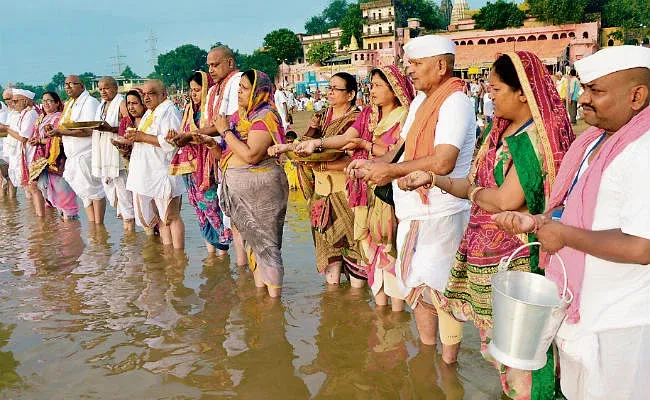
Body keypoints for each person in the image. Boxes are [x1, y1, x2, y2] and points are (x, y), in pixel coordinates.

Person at [400, 51, 575, 397]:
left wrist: (476, 192)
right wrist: (433, 179)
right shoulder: (502, 132)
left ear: (522, 91)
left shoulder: (535, 140)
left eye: (495, 90)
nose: (488, 95)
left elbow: (506, 201)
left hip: (520, 267)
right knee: (503, 355)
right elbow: (471, 187)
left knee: (524, 361)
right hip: (492, 264)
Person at [493, 45, 650, 400]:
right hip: (584, 308)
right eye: (584, 88)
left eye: (597, 91)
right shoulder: (593, 141)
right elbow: (577, 210)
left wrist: (564, 235)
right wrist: (536, 222)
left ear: (637, 96)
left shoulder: (643, 150)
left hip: (620, 319)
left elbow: (643, 246)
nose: (583, 98)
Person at [347, 35, 476, 363]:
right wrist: (376, 165)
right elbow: (399, 149)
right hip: (414, 212)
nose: (410, 70)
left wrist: (389, 173)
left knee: (441, 291)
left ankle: (448, 366)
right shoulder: (421, 100)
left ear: (441, 66)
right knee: (418, 290)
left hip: (442, 212)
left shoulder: (455, 101)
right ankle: (426, 356)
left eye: (417, 64)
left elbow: (443, 161)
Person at [291, 66, 415, 311]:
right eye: (371, 85)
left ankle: (397, 314)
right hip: (361, 193)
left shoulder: (405, 117)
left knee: (390, 253)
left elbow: (399, 156)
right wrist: (318, 141)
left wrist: (364, 145)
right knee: (370, 253)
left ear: (395, 89)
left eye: (379, 85)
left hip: (389, 196)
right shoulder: (368, 114)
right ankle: (379, 315)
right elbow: (348, 138)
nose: (373, 90)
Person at [272, 72, 362, 286]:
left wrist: (323, 162)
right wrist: (293, 143)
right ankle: (334, 305)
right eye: (328, 88)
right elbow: (305, 144)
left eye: (335, 89)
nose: (329, 92)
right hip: (320, 194)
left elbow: (356, 156)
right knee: (328, 254)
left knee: (354, 251)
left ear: (350, 94)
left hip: (346, 192)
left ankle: (358, 305)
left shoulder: (358, 118)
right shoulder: (321, 116)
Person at [212, 69, 288, 298]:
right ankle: (260, 298)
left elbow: (252, 155)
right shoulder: (240, 117)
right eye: (239, 88)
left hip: (263, 191)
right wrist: (210, 144)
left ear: (259, 92)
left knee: (267, 246)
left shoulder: (265, 116)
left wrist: (224, 131)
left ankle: (275, 304)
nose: (239, 93)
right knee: (251, 244)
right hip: (240, 192)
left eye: (244, 88)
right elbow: (228, 150)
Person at [167, 71, 233, 255]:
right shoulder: (189, 109)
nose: (193, 94)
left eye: (197, 90)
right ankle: (211, 252)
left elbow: (215, 131)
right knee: (199, 210)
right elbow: (184, 135)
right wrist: (176, 138)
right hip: (189, 167)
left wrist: (189, 136)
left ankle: (223, 251)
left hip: (207, 165)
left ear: (206, 90)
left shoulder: (211, 109)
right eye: (191, 90)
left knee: (211, 206)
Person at [125, 79, 185, 249]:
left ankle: (179, 256)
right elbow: (145, 138)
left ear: (163, 94)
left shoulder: (169, 111)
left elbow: (172, 141)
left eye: (151, 93)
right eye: (144, 94)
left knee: (171, 217)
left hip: (163, 173)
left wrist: (142, 137)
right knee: (160, 218)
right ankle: (168, 254)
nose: (146, 98)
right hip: (149, 175)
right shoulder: (150, 112)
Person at [203, 45, 247, 265]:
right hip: (222, 157)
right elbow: (211, 124)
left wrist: (193, 134)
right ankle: (242, 268)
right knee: (232, 217)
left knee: (243, 218)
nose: (211, 69)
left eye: (215, 64)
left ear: (230, 63)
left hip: (241, 156)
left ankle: (246, 268)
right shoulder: (213, 90)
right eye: (209, 65)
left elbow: (227, 122)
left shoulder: (237, 80)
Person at [47, 75, 104, 223]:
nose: (68, 87)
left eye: (72, 84)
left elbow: (89, 130)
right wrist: (55, 131)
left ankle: (99, 226)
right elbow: (64, 127)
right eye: (66, 84)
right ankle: (93, 226)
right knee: (85, 195)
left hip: (86, 153)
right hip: (73, 156)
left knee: (95, 192)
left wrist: (60, 132)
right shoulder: (70, 104)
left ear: (82, 86)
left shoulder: (90, 102)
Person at [90, 77, 134, 231]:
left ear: (115, 88)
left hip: (117, 154)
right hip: (104, 154)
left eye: (106, 88)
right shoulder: (101, 105)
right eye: (100, 89)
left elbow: (129, 128)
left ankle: (130, 232)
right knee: (112, 193)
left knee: (124, 193)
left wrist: (110, 129)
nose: (103, 91)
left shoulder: (121, 103)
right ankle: (129, 231)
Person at [28, 91, 79, 220]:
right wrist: (35, 140)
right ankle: (63, 220)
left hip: (57, 159)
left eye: (49, 101)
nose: (46, 103)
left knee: (61, 188)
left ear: (57, 103)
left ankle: (71, 219)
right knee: (43, 185)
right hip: (42, 159)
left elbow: (58, 140)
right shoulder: (41, 118)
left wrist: (39, 141)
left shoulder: (59, 118)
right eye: (44, 101)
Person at [0, 89, 40, 208]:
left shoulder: (30, 113)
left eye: (14, 100)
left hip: (26, 152)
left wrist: (6, 129)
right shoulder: (20, 113)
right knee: (26, 186)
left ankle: (40, 219)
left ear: (25, 101)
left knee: (31, 188)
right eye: (8, 100)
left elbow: (23, 137)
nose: (11, 102)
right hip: (16, 152)